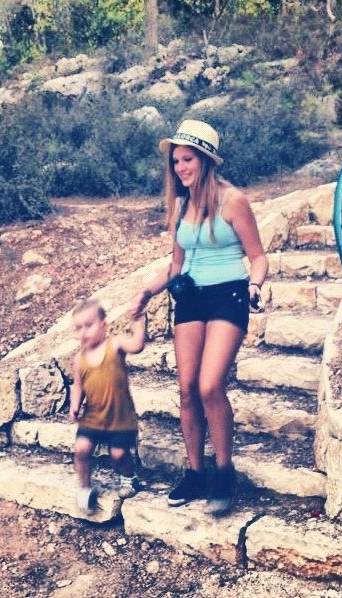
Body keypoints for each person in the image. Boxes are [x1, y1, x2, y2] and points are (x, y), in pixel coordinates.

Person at [127, 119, 269, 516]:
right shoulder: (180, 205)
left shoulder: (233, 201)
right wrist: (145, 292)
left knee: (209, 385)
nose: (180, 168)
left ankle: (224, 472)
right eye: (175, 161)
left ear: (205, 160)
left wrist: (255, 285)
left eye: (187, 159)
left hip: (229, 295)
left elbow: (258, 257)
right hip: (190, 297)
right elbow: (176, 264)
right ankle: (194, 472)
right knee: (187, 389)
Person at [69, 298, 146, 513]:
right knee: (81, 450)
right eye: (78, 328)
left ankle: (129, 478)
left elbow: (137, 345)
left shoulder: (115, 344)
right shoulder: (79, 359)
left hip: (120, 418)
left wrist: (139, 321)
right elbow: (78, 385)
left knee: (118, 454)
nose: (83, 332)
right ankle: (84, 488)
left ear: (103, 325)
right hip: (92, 417)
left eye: (89, 325)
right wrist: (75, 405)